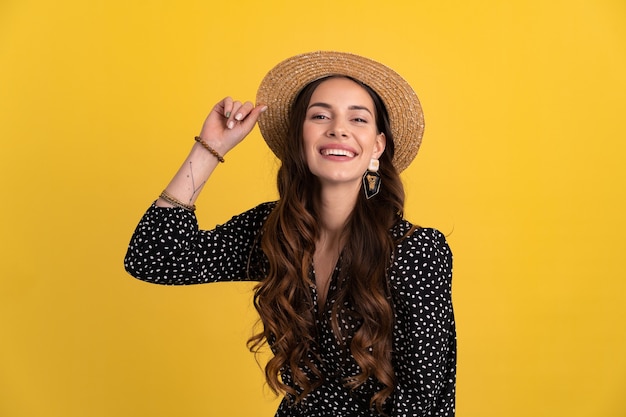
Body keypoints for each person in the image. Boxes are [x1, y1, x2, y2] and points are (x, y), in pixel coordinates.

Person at [125, 51, 455, 417]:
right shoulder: (278, 231)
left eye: (357, 118)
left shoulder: (415, 250)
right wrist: (210, 149)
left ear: (377, 146)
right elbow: (154, 258)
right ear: (299, 137)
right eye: (320, 116)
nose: (338, 129)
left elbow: (423, 402)